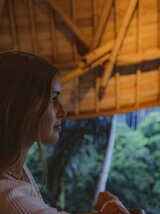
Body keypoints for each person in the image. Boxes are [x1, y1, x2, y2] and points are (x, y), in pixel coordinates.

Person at [0, 50, 132, 214]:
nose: (63, 112)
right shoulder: (9, 196)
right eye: (53, 100)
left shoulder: (14, 169)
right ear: (19, 106)